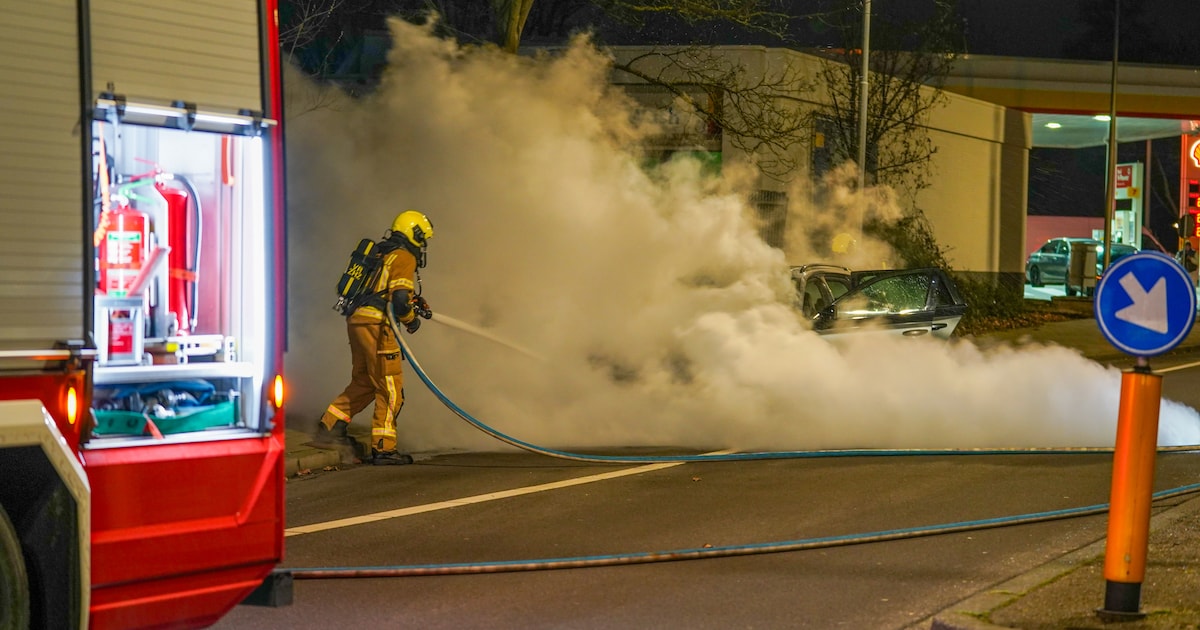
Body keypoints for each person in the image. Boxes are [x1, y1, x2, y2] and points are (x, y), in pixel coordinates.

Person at [315, 210, 434, 465]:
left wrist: (412, 303)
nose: (422, 245)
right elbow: (399, 300)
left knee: (366, 381)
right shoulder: (403, 257)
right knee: (390, 389)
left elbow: (382, 291)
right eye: (422, 238)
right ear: (414, 234)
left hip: (357, 320)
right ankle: (384, 448)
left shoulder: (381, 253)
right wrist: (410, 320)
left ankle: (330, 426)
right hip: (377, 325)